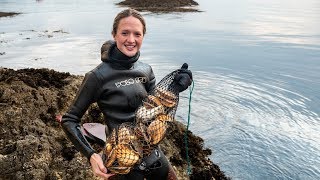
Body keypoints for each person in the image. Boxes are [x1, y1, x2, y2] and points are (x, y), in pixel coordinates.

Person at [61, 8, 192, 180]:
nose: (131, 40)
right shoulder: (97, 77)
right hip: (121, 162)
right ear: (114, 35)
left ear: (143, 36)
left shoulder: (146, 70)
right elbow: (69, 119)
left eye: (137, 34)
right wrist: (91, 155)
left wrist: (175, 88)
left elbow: (154, 109)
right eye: (125, 33)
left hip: (152, 153)